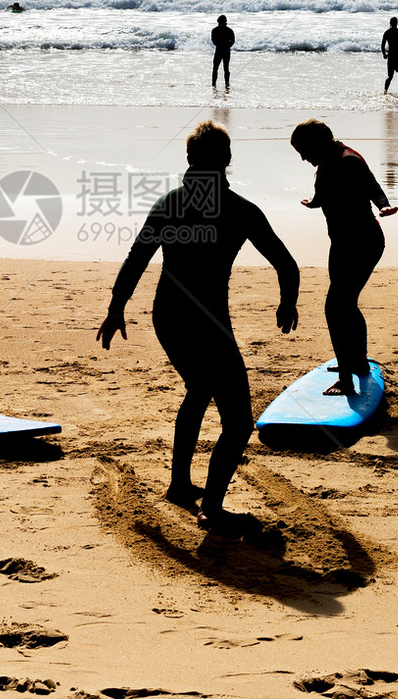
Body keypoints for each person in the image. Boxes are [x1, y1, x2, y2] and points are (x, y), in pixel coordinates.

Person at [97, 121, 299, 536]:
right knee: (239, 422)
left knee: (199, 389)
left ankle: (178, 484)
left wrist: (116, 308)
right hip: (209, 321)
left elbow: (137, 259)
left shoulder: (168, 204)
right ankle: (211, 508)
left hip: (167, 316)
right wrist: (287, 301)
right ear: (227, 159)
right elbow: (286, 264)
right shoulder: (241, 209)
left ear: (188, 159)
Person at [290, 119, 398, 397]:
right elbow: (324, 193)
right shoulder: (326, 161)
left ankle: (346, 379)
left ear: (318, 144)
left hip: (363, 244)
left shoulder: (348, 160)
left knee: (335, 308)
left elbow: (373, 187)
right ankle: (358, 365)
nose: (303, 158)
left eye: (303, 150)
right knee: (346, 304)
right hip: (340, 244)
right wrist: (313, 203)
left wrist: (384, 206)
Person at [381, 16, 398, 93]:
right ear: (397, 23)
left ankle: (385, 91)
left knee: (390, 76)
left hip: (391, 56)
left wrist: (384, 54)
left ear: (390, 23)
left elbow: (382, 45)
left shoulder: (387, 32)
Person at [211, 14, 234, 90]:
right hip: (226, 50)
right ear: (225, 22)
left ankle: (213, 84)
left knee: (215, 68)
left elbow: (213, 40)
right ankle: (227, 84)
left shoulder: (214, 30)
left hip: (218, 50)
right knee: (226, 68)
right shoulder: (229, 30)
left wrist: (218, 45)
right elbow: (233, 41)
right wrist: (228, 46)